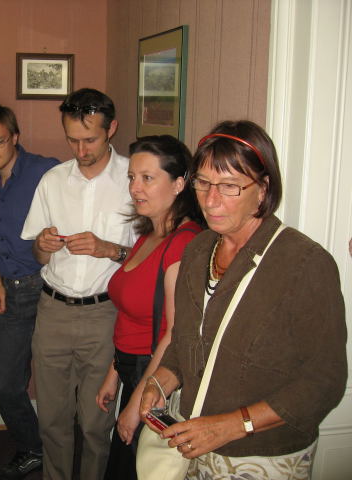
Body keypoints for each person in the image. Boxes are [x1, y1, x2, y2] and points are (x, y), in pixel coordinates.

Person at [138, 120, 347, 479]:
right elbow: (186, 341)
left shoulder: (304, 263)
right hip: (191, 446)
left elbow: (324, 382)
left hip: (261, 456)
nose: (210, 200)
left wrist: (233, 425)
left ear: (263, 189)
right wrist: (160, 382)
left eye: (229, 186)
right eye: (203, 183)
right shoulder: (198, 249)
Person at [20, 88, 136, 480]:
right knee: (52, 420)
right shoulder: (53, 181)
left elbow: (152, 259)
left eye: (90, 139)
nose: (80, 150)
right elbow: (38, 255)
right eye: (72, 140)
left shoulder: (134, 181)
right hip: (53, 310)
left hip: (105, 314)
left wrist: (110, 250)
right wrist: (42, 245)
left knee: (95, 424)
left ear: (111, 129)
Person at [95, 136, 204, 479]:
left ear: (179, 184)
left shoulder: (182, 244)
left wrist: (135, 404)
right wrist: (114, 373)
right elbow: (133, 318)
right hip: (131, 370)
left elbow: (173, 333)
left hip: (153, 378)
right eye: (131, 177)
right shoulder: (149, 235)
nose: (135, 188)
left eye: (147, 178)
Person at [0, 102, 60, 479]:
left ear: (15, 138)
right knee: (6, 384)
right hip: (10, 290)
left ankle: (63, 454)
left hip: (46, 288)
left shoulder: (45, 170)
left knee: (58, 382)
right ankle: (33, 447)